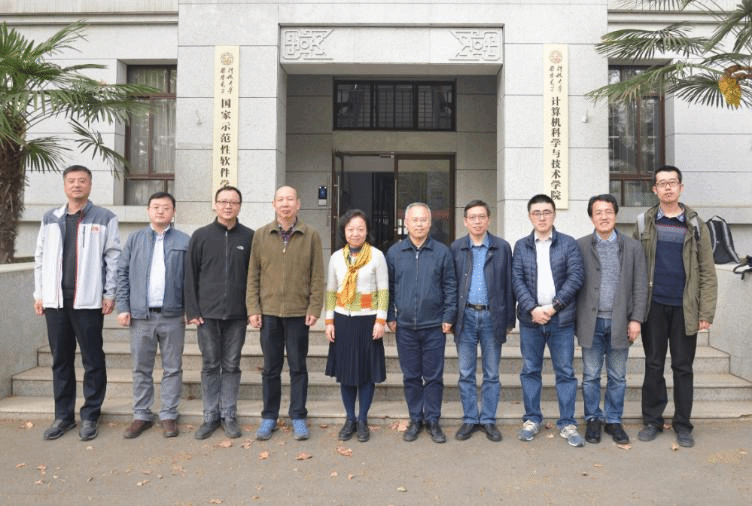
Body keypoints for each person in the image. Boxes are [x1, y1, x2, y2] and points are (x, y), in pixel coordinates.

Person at [33, 165, 121, 441]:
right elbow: (39, 258)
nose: (76, 185)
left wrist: (109, 294)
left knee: (93, 359)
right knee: (60, 359)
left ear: (90, 185)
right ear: (64, 186)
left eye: (82, 180)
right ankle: (63, 416)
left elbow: (113, 258)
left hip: (88, 301)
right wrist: (39, 294)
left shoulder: (105, 217)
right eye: (71, 181)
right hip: (56, 302)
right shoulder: (50, 218)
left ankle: (91, 414)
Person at [633, 165, 717, 448]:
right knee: (653, 364)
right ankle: (653, 421)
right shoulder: (644, 223)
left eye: (672, 182)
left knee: (683, 367)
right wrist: (634, 311)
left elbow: (707, 272)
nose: (667, 187)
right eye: (662, 183)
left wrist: (706, 312)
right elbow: (635, 269)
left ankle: (683, 424)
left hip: (685, 307)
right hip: (653, 306)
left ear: (681, 187)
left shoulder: (696, 225)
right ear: (654, 190)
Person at [248, 186, 325, 441]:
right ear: (273, 204)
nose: (285, 204)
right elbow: (253, 275)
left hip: (298, 313)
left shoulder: (311, 235)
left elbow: (317, 276)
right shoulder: (261, 235)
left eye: (290, 199)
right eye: (280, 199)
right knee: (271, 368)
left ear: (298, 204)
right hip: (269, 312)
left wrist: (315, 307)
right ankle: (269, 416)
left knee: (298, 367)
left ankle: (298, 416)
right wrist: (253, 308)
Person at [512, 194, 585, 447]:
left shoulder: (568, 243)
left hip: (560, 319)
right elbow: (517, 280)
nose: (542, 217)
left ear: (554, 214)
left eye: (546, 212)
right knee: (530, 370)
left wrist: (553, 308)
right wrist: (532, 309)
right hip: (531, 320)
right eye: (536, 213)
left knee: (565, 371)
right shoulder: (521, 246)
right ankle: (532, 419)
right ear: (529, 216)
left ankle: (567, 422)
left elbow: (575, 277)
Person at [116, 192, 190, 439]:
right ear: (148, 211)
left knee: (173, 368)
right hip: (141, 316)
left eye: (166, 207)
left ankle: (168, 414)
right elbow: (122, 273)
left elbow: (191, 279)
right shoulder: (135, 239)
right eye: (156, 207)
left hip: (173, 315)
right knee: (141, 367)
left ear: (173, 212)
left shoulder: (184, 240)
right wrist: (123, 307)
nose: (160, 211)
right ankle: (141, 414)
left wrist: (190, 309)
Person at [575, 194, 648, 445]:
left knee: (617, 375)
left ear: (615, 215)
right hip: (591, 322)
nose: (603, 217)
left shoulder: (633, 247)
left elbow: (640, 286)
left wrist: (636, 319)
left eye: (608, 211)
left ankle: (614, 420)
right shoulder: (580, 246)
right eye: (598, 212)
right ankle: (593, 418)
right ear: (591, 217)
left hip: (620, 323)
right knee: (591, 375)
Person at [185, 186, 254, 440]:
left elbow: (254, 277)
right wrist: (192, 309)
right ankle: (210, 416)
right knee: (210, 364)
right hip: (207, 314)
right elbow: (190, 274)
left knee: (232, 364)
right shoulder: (201, 236)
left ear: (239, 206)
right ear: (215, 204)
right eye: (223, 201)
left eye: (233, 202)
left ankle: (229, 414)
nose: (228, 206)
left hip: (237, 314)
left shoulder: (249, 237)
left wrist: (252, 310)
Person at [386, 202, 457, 444]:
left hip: (434, 325)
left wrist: (449, 316)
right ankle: (416, 419)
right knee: (411, 376)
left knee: (434, 376)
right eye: (414, 220)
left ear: (430, 223)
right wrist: (390, 315)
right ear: (406, 223)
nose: (419, 224)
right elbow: (388, 288)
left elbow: (450, 286)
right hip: (405, 326)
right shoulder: (395, 253)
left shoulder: (442, 252)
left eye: (423, 220)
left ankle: (433, 419)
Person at [450, 200, 515, 442]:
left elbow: (509, 286)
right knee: (466, 372)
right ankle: (469, 418)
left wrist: (509, 320)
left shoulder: (502, 247)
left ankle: (488, 419)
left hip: (492, 316)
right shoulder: (456, 248)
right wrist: (451, 318)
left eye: (481, 217)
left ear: (488, 219)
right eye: (472, 217)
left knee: (491, 373)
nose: (477, 221)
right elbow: (451, 285)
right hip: (465, 317)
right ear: (465, 221)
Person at [324, 210, 388, 443]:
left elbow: (383, 291)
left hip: (368, 321)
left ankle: (362, 419)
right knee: (346, 374)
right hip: (343, 321)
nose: (355, 233)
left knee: (366, 375)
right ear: (344, 231)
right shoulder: (336, 258)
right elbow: (331, 291)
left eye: (360, 229)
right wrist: (329, 321)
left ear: (367, 231)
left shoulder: (377, 256)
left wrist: (380, 320)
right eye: (351, 229)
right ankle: (350, 418)